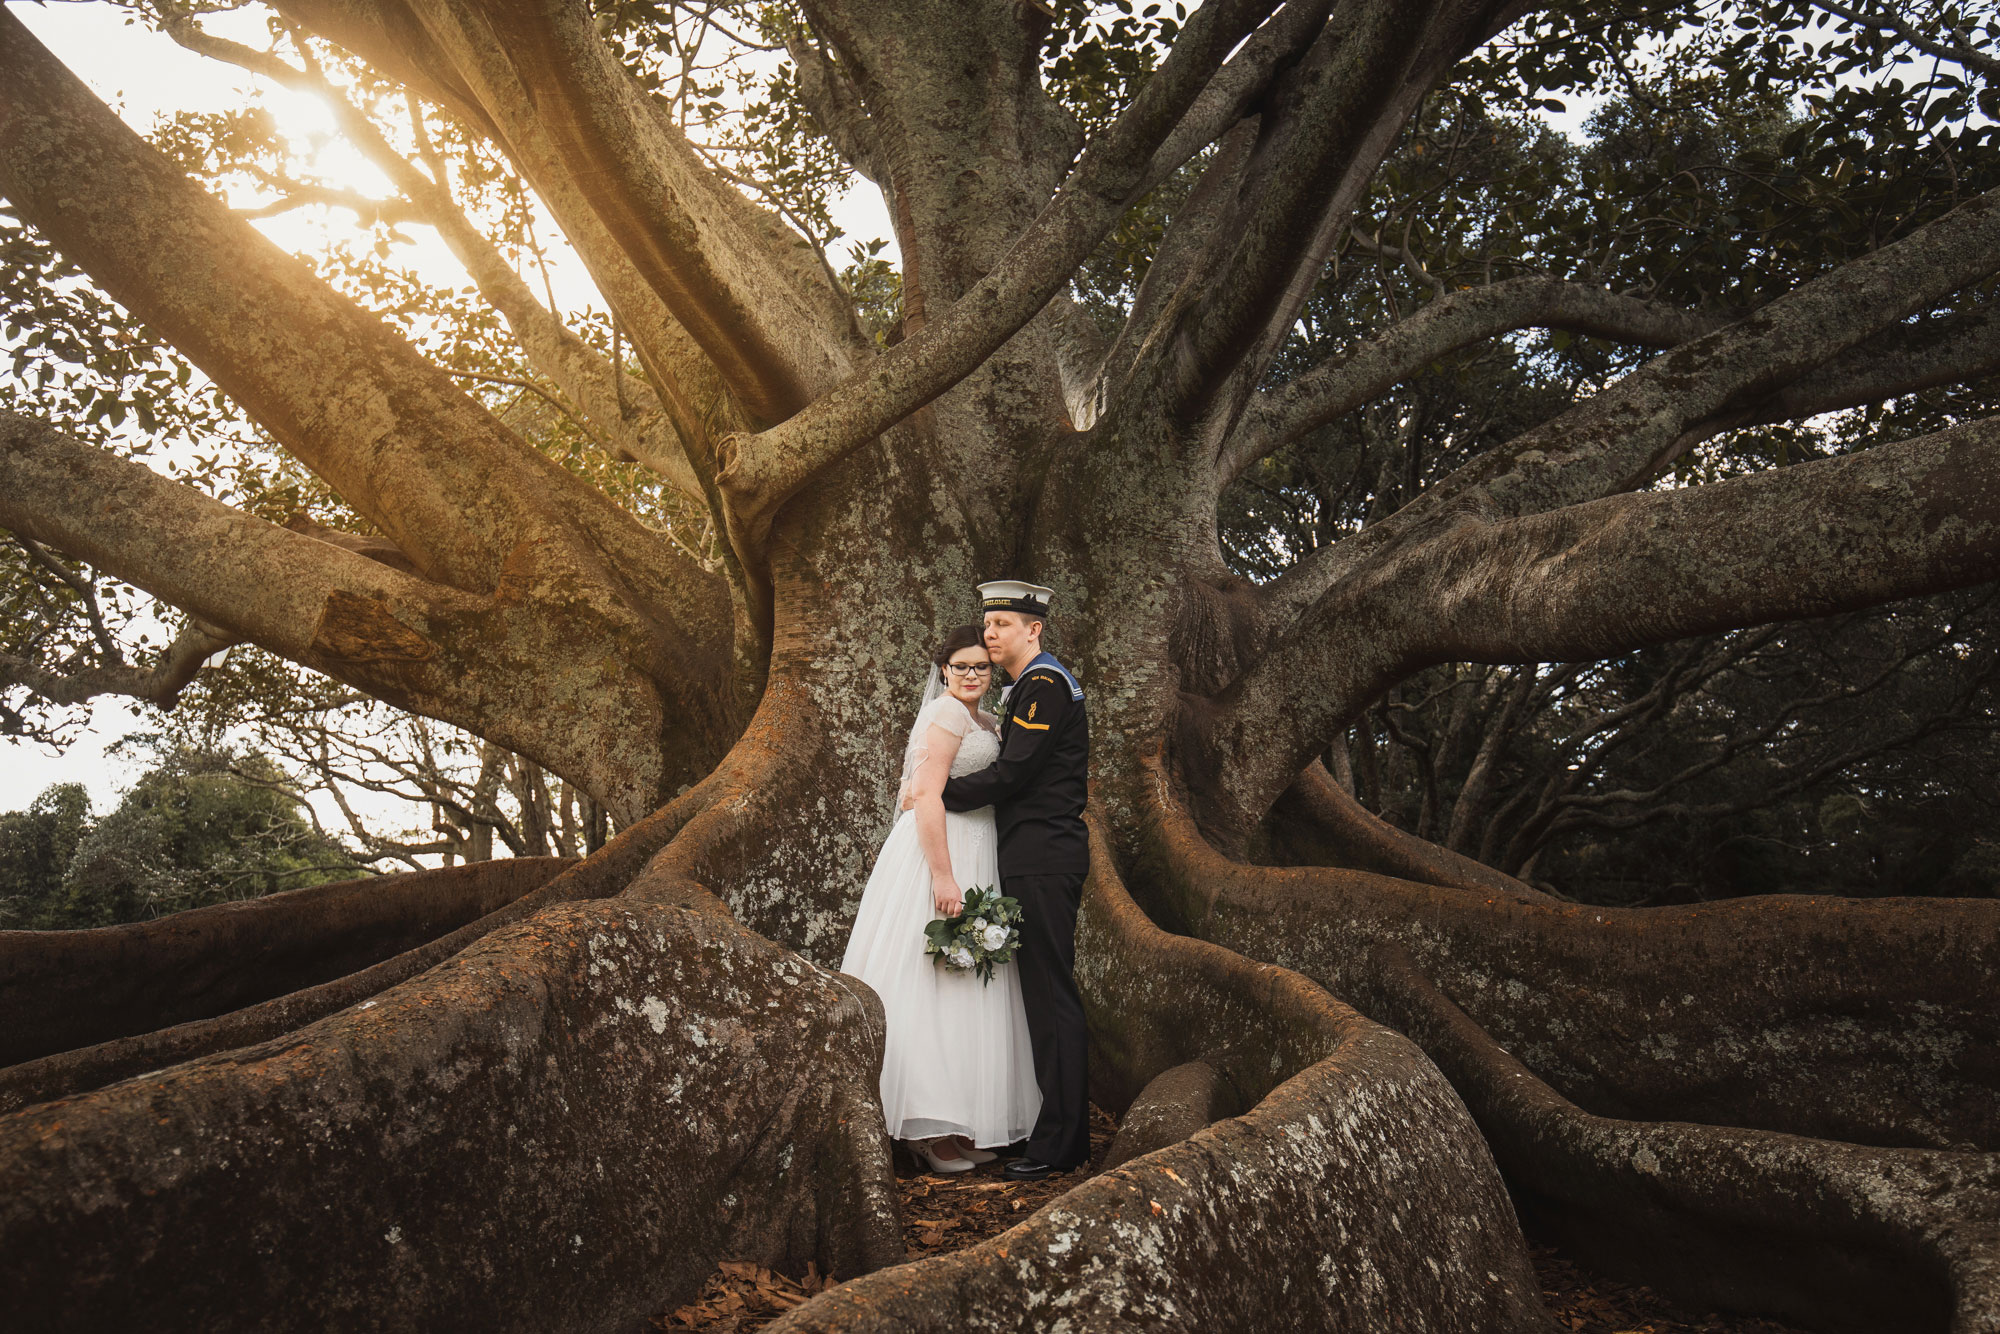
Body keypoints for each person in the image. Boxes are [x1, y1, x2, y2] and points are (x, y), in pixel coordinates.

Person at [841, 626, 1040, 1174]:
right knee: (931, 984)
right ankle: (924, 1129)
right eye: (961, 666)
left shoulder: (986, 721)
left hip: (979, 849)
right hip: (941, 853)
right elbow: (925, 797)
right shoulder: (946, 715)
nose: (972, 674)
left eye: (981, 666)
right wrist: (943, 877)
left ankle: (960, 1119)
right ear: (944, 671)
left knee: (969, 990)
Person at [934, 580, 1091, 1181]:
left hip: (1044, 856)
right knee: (1044, 997)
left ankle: (1060, 1145)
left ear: (1035, 630)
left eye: (1003, 624)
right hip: (1035, 853)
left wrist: (937, 794)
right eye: (988, 623)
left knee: (1052, 996)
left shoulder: (1044, 685)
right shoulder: (1031, 686)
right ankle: (1055, 1132)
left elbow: (1013, 772)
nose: (991, 633)